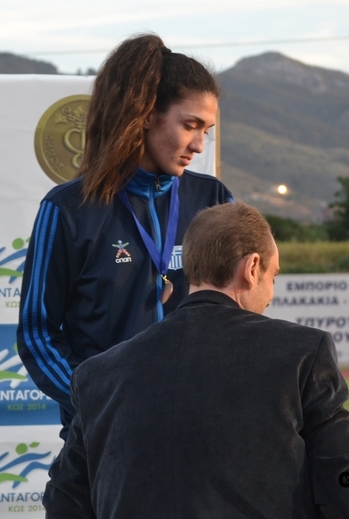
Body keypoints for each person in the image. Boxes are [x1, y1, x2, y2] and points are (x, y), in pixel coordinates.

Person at [44, 202, 349, 519]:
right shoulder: (303, 352)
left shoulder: (98, 374)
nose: (271, 294)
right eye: (273, 276)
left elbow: (64, 503)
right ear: (252, 267)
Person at [17, 33, 233, 433]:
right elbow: (37, 334)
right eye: (190, 126)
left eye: (207, 130)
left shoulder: (214, 200)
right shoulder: (68, 208)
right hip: (107, 436)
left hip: (197, 430)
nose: (199, 145)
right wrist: (97, 402)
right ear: (146, 114)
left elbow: (241, 312)